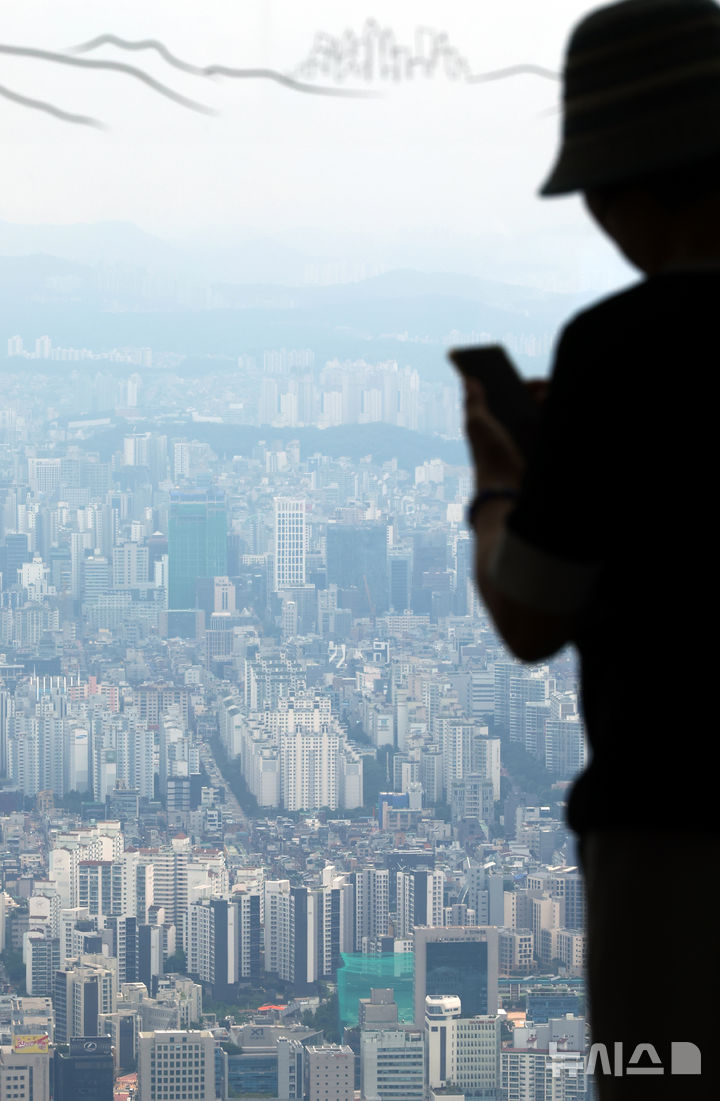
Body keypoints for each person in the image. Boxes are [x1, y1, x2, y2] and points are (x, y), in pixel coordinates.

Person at [463, 0, 720, 1096]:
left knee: (660, 1076)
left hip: (674, 835)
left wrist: (499, 482)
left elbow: (529, 612)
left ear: (620, 191)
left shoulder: (620, 351)